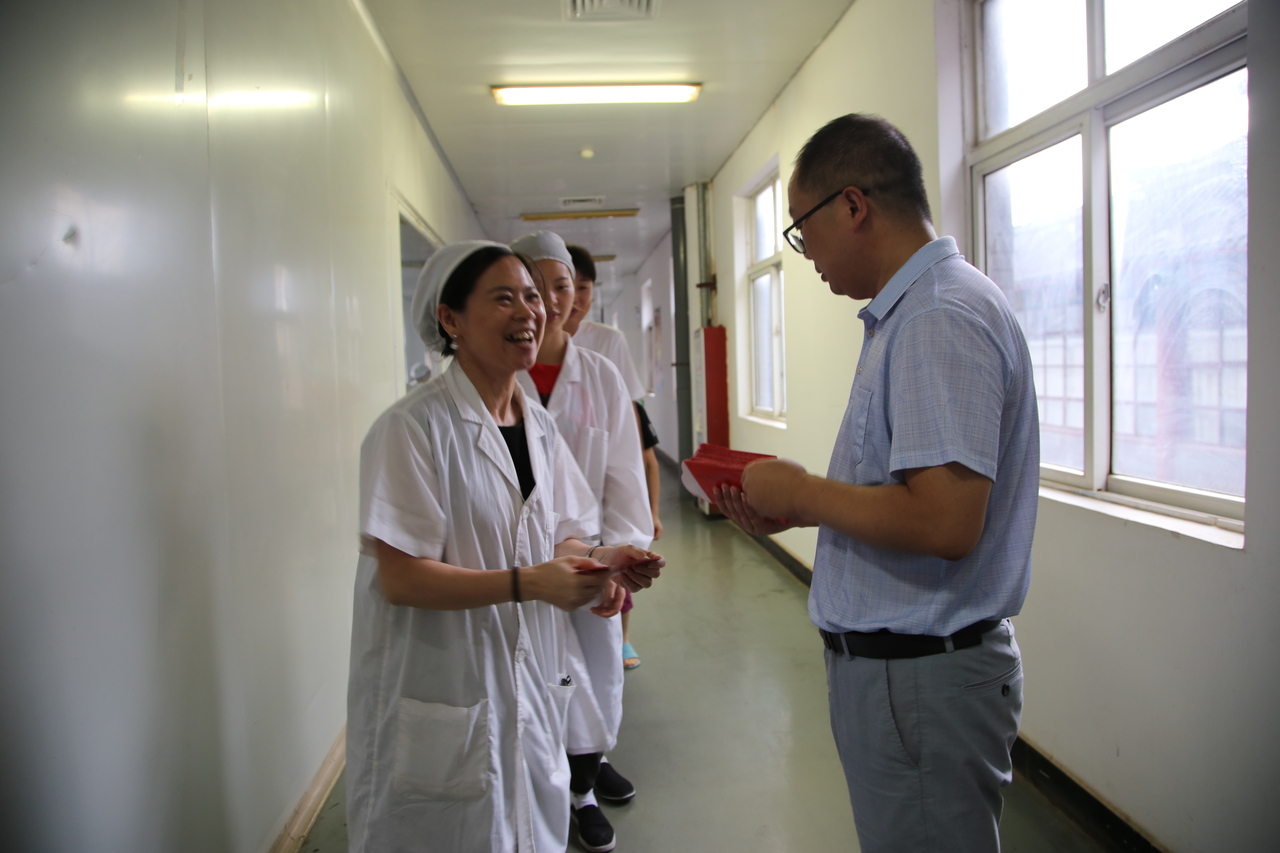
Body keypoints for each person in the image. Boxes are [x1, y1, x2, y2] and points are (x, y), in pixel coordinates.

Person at [714, 114, 1039, 853]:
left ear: (853, 206)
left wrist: (803, 494)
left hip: (921, 683)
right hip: (907, 680)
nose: (806, 255)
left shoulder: (938, 316)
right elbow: (903, 497)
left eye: (803, 230)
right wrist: (803, 511)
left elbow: (945, 522)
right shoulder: (912, 314)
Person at [345, 241, 663, 853]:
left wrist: (599, 563)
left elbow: (560, 530)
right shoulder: (412, 428)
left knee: (527, 820)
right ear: (451, 319)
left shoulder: (537, 425)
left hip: (526, 677)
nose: (529, 311)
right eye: (503, 297)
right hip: (443, 676)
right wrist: (529, 583)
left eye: (533, 297)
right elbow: (401, 578)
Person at [512, 232, 652, 852]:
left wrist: (617, 560)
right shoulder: (497, 375)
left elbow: (624, 478)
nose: (549, 299)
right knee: (536, 685)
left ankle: (585, 787)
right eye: (533, 287)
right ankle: (553, 790)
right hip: (517, 565)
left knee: (595, 678)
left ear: (577, 294)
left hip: (592, 561)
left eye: (561, 286)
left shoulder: (599, 374)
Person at [565, 244, 661, 672]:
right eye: (562, 287)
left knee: (614, 562)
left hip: (600, 479)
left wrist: (649, 509)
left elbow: (631, 431)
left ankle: (620, 637)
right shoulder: (527, 342)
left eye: (582, 287)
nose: (573, 298)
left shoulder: (607, 342)